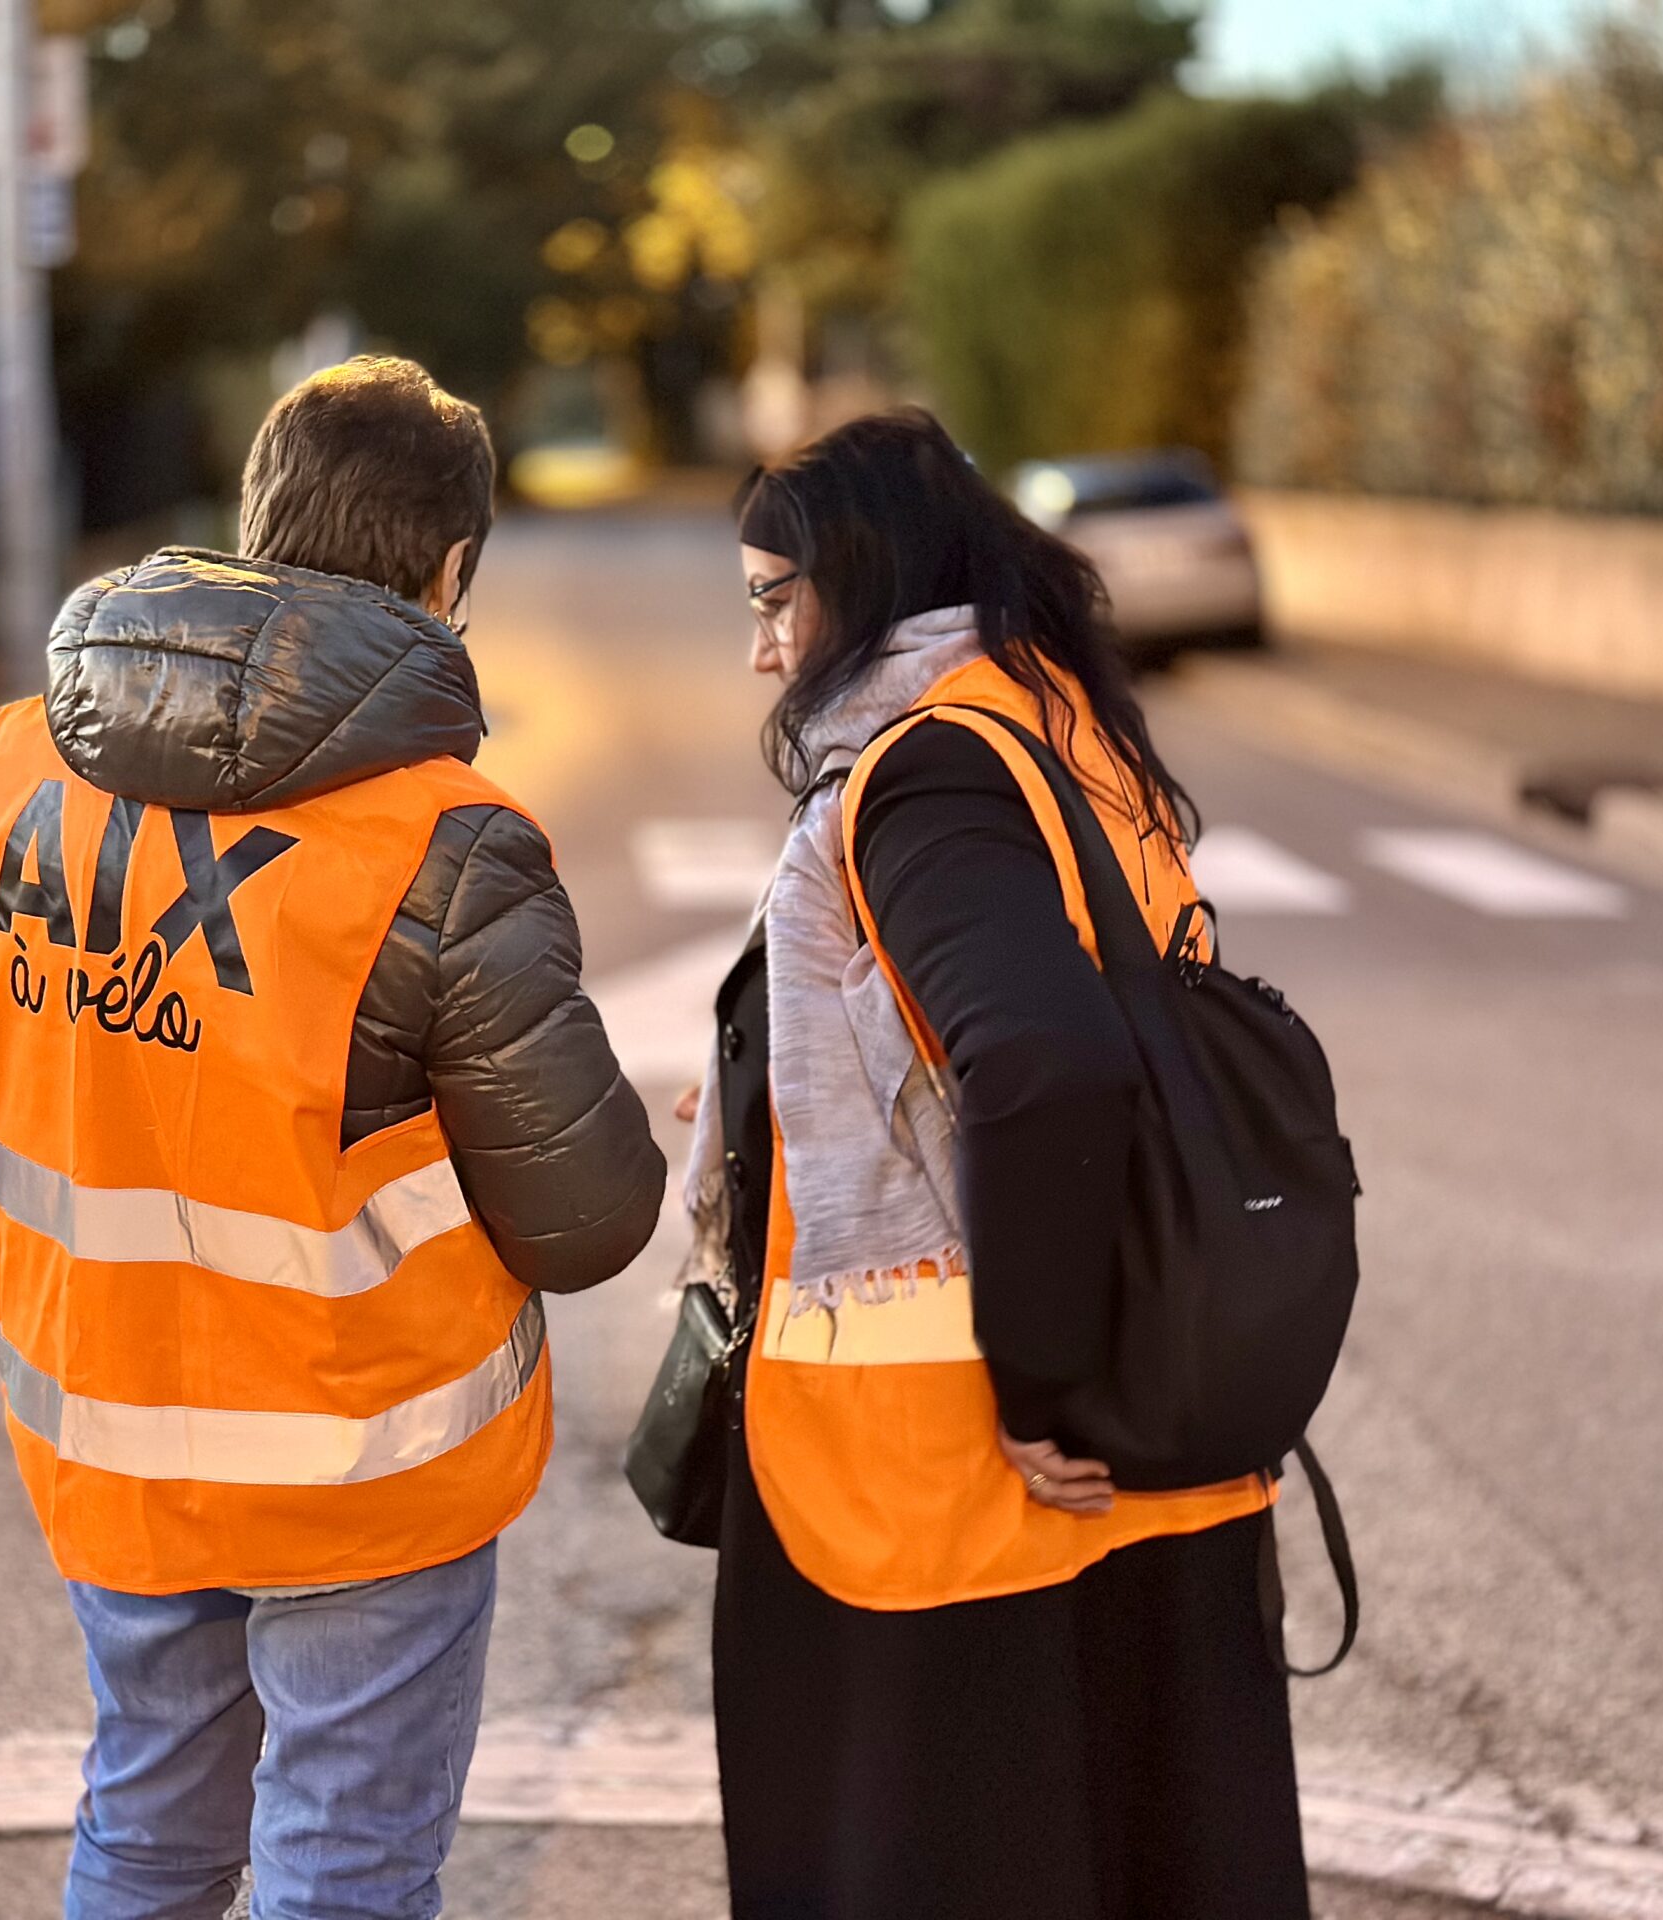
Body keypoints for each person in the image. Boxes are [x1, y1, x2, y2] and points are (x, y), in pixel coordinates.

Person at [0, 356, 665, 1920]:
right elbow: (588, 1222)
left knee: (146, 1838)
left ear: (255, 517)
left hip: (109, 1429)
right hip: (365, 1469)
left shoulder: (10, 765)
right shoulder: (447, 842)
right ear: (451, 574)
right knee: (344, 1872)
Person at [681, 409, 1309, 1918]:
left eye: (775, 600)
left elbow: (1044, 1058)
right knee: (1140, 1841)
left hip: (951, 1472)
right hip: (1147, 1437)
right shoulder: (1054, 722)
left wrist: (1037, 1379)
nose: (764, 651)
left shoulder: (930, 775)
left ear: (865, 580)